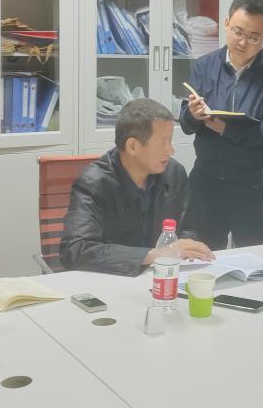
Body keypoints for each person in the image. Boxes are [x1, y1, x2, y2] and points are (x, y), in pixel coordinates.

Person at [180, 0, 263, 249]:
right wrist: (193, 114)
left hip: (251, 186)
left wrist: (227, 129)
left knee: (252, 258)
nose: (242, 42)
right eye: (238, 32)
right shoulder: (205, 66)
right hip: (206, 183)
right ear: (227, 23)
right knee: (203, 256)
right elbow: (185, 124)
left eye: (253, 37)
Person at [60, 98, 215, 275]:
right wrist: (155, 255)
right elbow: (75, 250)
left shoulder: (174, 173)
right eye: (162, 142)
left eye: (170, 141)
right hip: (111, 279)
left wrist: (187, 247)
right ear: (133, 146)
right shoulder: (94, 183)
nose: (170, 150)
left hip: (163, 276)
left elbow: (187, 228)